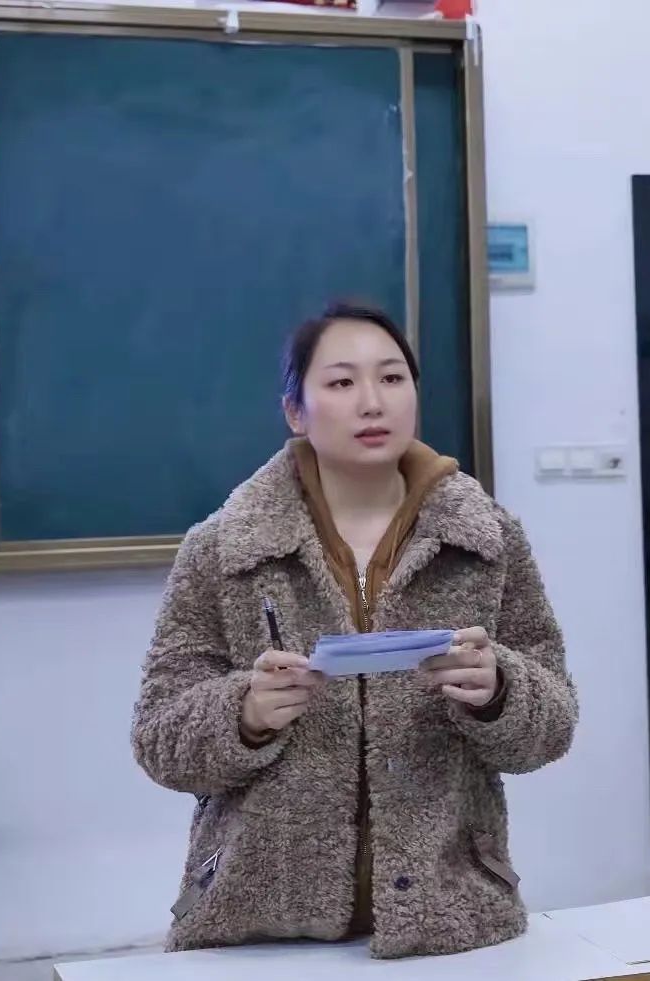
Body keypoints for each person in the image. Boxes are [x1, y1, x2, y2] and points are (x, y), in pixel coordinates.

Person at [131, 302, 578, 960]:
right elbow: (158, 739)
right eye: (341, 382)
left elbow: (553, 724)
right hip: (260, 927)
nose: (372, 402)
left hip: (452, 924)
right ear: (295, 411)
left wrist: (500, 691)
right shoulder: (222, 550)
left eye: (392, 378)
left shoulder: (486, 541)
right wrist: (244, 714)